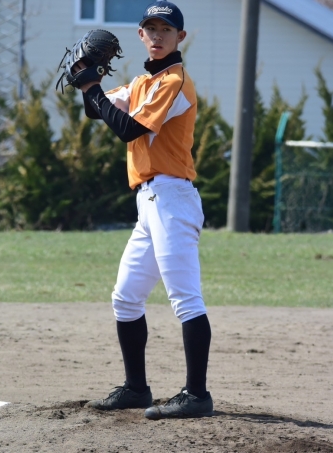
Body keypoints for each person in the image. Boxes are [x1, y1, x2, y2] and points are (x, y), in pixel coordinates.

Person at [74, 1, 213, 420]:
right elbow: (97, 108)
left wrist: (92, 87)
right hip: (150, 203)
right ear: (140, 35)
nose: (157, 36)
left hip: (173, 198)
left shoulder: (174, 80)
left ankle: (197, 395)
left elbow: (129, 128)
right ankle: (136, 388)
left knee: (185, 298)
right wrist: (88, 76)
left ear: (179, 37)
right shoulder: (141, 84)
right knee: (126, 297)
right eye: (151, 28)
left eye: (166, 30)